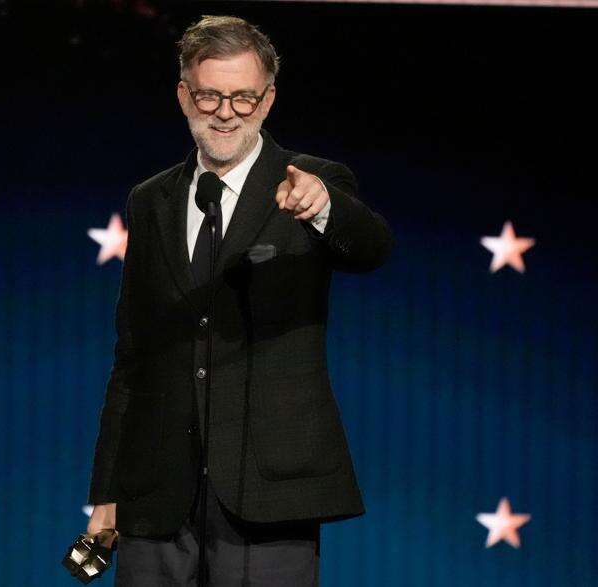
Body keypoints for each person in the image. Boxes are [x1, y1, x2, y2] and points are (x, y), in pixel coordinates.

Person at [85, 14, 394, 586]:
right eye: (210, 96)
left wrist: (324, 206)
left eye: (244, 98)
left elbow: (372, 247)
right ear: (184, 96)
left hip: (269, 490)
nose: (226, 112)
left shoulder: (311, 180)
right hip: (157, 492)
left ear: (268, 100)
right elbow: (133, 356)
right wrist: (107, 491)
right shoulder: (151, 200)